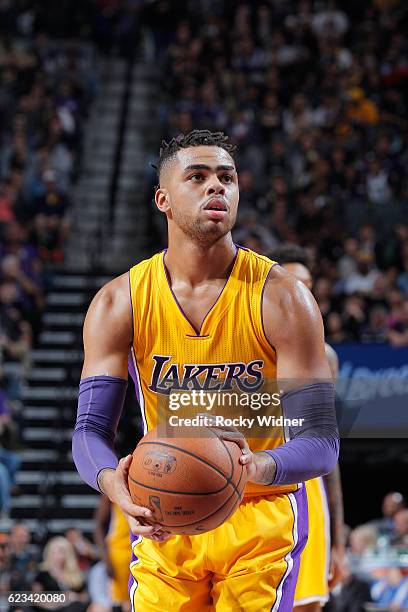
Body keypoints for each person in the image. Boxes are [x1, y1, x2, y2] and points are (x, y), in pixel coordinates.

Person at [73, 130, 339, 610]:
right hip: (164, 514)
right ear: (164, 199)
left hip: (260, 512)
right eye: (197, 177)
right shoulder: (119, 302)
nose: (216, 187)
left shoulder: (283, 297)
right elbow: (90, 431)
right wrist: (111, 480)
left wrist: (252, 468)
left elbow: (321, 442)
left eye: (226, 177)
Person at [268, 244, 347, 611]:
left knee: (307, 604)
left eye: (308, 284)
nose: (302, 293)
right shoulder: (243, 345)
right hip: (254, 481)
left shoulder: (324, 356)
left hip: (305, 487)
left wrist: (340, 542)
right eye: (293, 282)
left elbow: (329, 453)